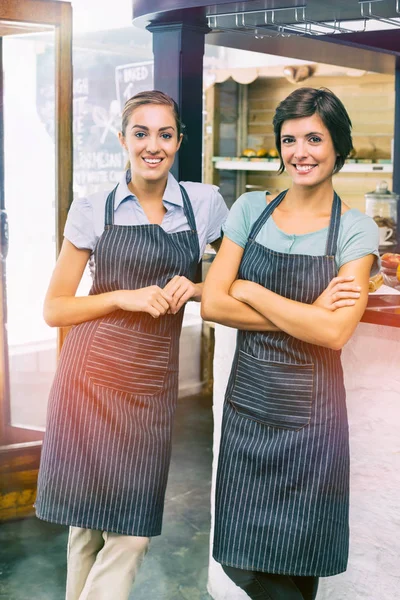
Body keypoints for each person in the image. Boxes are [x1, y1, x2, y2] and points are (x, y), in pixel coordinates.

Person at [35, 90, 228, 600]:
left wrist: (202, 287)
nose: (153, 145)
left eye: (165, 134)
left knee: (132, 532)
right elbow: (56, 308)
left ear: (179, 141)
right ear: (123, 139)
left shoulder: (204, 204)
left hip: (149, 383)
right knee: (86, 527)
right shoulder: (93, 208)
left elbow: (239, 279)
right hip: (90, 377)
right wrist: (123, 297)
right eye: (140, 133)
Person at [201, 87, 379, 600]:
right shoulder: (250, 209)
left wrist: (252, 290)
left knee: (302, 567)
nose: (300, 151)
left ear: (338, 146)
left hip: (311, 429)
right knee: (245, 564)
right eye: (289, 139)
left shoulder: (355, 229)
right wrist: (306, 313)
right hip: (248, 415)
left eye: (314, 138)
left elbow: (334, 331)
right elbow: (213, 305)